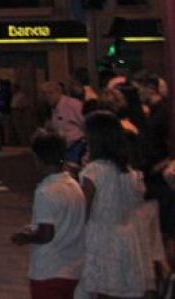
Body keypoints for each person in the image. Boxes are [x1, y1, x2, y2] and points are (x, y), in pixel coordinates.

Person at [78, 110, 148, 299]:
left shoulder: (94, 172)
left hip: (101, 237)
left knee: (100, 289)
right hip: (126, 236)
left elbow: (83, 210)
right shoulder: (129, 173)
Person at [11, 129, 84, 299]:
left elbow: (46, 234)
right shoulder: (73, 185)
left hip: (49, 270)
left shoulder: (46, 191)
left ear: (38, 159)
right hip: (73, 269)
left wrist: (26, 237)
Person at [43, 81, 86, 163]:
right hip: (64, 148)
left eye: (50, 93)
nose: (47, 96)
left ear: (59, 92)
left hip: (78, 147)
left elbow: (85, 123)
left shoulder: (73, 104)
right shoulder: (53, 108)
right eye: (45, 94)